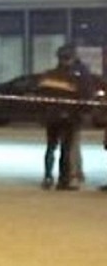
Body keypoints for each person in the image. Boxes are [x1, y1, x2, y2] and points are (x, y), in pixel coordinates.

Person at [37, 43, 88, 190]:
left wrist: (43, 114)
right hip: (68, 118)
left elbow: (40, 97)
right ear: (71, 58)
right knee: (65, 150)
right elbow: (83, 98)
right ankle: (63, 180)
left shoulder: (48, 75)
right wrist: (82, 114)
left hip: (51, 117)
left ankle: (48, 177)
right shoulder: (75, 78)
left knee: (51, 147)